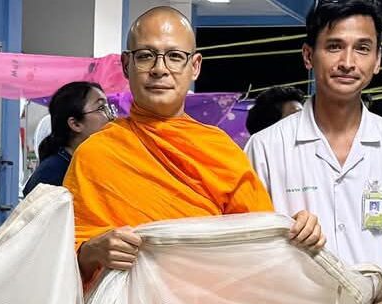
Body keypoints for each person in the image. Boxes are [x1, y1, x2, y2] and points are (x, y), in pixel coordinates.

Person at [65, 6, 323, 284]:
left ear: (195, 66)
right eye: (146, 56)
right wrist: (90, 252)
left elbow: (260, 248)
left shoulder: (220, 151)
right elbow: (58, 263)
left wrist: (296, 232)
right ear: (127, 65)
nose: (159, 69)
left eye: (175, 56)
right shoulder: (96, 154)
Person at [247, 0, 382, 304]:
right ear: (308, 55)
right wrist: (285, 238)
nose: (348, 62)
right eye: (334, 46)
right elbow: (251, 256)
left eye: (362, 48)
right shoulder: (266, 148)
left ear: (377, 60)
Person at [22, 81, 114, 197]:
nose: (111, 117)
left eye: (109, 108)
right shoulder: (51, 176)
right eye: (101, 108)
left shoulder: (90, 165)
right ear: (75, 124)